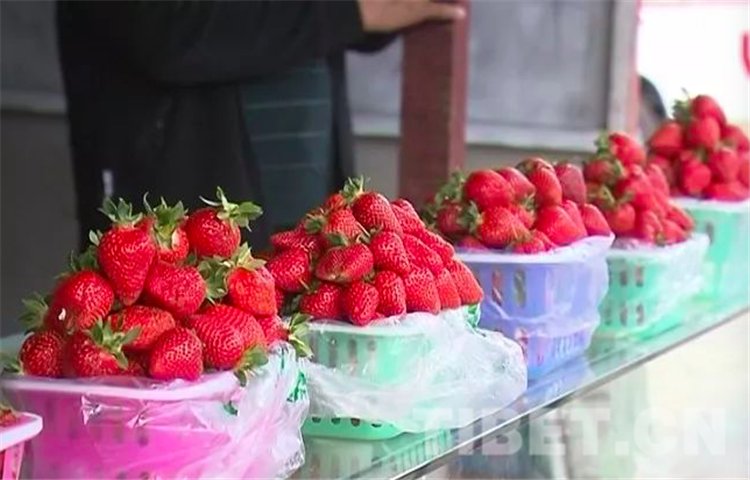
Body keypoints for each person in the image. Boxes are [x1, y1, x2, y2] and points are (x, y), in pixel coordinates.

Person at [56, 0, 464, 249]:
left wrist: (357, 14)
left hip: (307, 192)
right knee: (196, 351)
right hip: (185, 208)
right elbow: (165, 32)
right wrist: (343, 12)